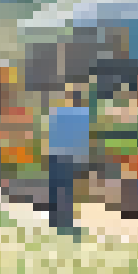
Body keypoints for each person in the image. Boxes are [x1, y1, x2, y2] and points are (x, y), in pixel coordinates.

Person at [44, 83, 93, 235]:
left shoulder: (58, 112)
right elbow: (82, 139)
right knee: (67, 191)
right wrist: (82, 159)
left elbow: (51, 134)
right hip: (69, 157)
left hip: (56, 155)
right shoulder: (83, 114)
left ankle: (56, 221)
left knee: (56, 189)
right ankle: (64, 223)